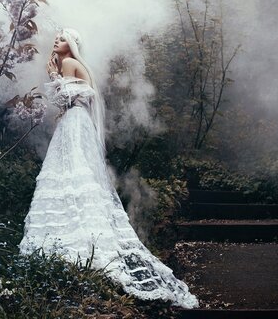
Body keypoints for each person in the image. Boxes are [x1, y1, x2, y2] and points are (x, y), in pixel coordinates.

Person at [18, 28, 199, 309]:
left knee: (68, 177)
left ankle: (71, 245)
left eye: (62, 39)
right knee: (75, 177)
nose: (56, 41)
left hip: (73, 125)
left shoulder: (67, 63)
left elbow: (64, 99)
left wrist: (53, 75)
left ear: (73, 45)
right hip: (77, 123)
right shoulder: (76, 65)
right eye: (56, 38)